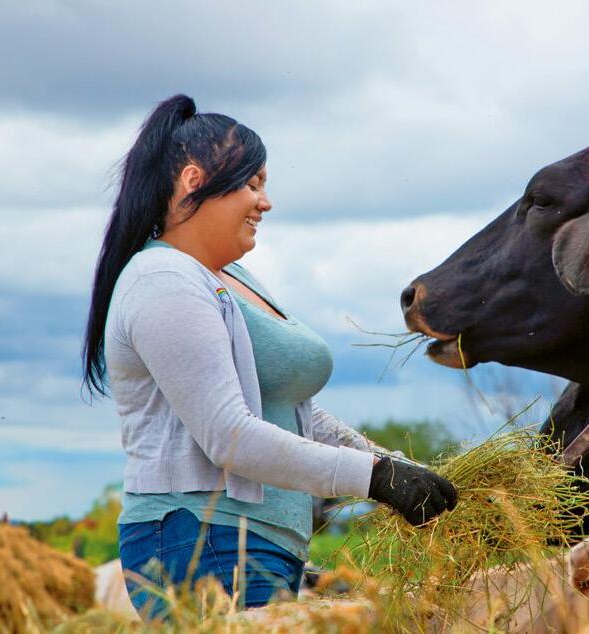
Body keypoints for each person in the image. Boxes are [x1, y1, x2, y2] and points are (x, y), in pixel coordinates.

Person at [81, 94, 458, 618]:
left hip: (256, 542)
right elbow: (229, 436)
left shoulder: (227, 278)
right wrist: (374, 477)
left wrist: (399, 468)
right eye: (252, 184)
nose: (266, 202)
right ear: (193, 181)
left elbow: (295, 412)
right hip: (203, 541)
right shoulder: (163, 281)